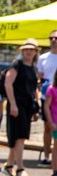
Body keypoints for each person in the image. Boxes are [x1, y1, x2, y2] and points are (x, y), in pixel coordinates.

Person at [2, 38, 40, 176]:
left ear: (36, 52)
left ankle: (9, 166)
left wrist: (36, 108)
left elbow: (34, 88)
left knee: (19, 137)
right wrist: (12, 104)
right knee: (19, 137)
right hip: (17, 105)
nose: (29, 52)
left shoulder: (33, 67)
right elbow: (8, 83)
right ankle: (20, 168)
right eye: (26, 49)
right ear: (22, 51)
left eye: (32, 49)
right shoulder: (17, 64)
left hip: (27, 106)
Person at [37, 28, 57, 164]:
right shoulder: (43, 58)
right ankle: (46, 156)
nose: (54, 41)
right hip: (48, 96)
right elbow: (39, 78)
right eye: (51, 38)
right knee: (47, 126)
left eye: (56, 38)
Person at [44, 79, 57, 176]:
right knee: (56, 146)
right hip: (55, 122)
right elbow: (46, 106)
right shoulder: (52, 89)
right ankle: (55, 171)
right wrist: (50, 122)